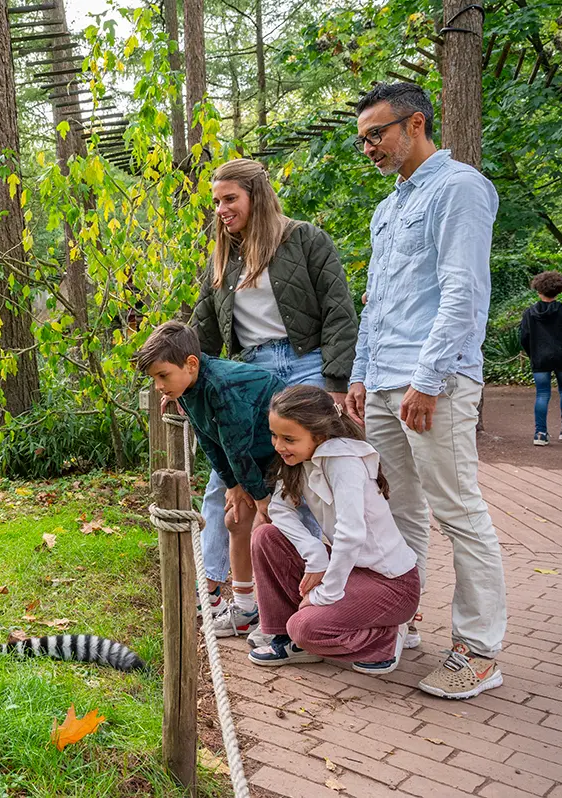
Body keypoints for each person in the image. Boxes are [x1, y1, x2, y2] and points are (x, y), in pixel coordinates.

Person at [345, 82, 506, 699]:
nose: (369, 147)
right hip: (386, 381)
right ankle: (401, 617)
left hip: (433, 382)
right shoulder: (387, 209)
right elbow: (377, 304)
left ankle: (479, 651)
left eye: (377, 134)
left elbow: (463, 293)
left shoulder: (460, 188)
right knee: (397, 510)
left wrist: (428, 379)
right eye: (362, 139)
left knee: (458, 510)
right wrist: (361, 374)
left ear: (415, 124)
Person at [190, 158, 359, 640]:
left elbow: (339, 310)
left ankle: (315, 589)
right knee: (227, 479)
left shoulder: (305, 239)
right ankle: (217, 589)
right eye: (216, 201)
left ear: (256, 196)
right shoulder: (223, 257)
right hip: (252, 372)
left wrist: (337, 381)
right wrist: (183, 378)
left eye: (230, 199)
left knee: (308, 476)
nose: (221, 209)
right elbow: (202, 326)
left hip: (307, 364)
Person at [248, 386, 420, 673]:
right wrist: (314, 553)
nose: (278, 446)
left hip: (391, 584)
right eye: (274, 435)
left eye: (288, 439)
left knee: (305, 628)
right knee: (266, 537)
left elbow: (351, 534)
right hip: (352, 571)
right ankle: (287, 640)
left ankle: (386, 637)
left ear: (319, 435)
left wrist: (324, 595)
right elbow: (278, 509)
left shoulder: (343, 462)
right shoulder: (300, 458)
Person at [136, 322, 284, 596]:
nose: (158, 386)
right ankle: (243, 605)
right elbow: (208, 440)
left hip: (281, 454)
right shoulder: (188, 388)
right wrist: (232, 483)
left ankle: (282, 605)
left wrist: (261, 497)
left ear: (191, 364)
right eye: (154, 378)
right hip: (252, 455)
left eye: (163, 376)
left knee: (269, 527)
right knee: (235, 520)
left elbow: (236, 447)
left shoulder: (220, 387)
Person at [519, 271, 562, 446]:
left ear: (538, 290)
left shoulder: (529, 313)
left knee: (542, 394)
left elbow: (524, 337)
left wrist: (533, 354)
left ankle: (540, 434)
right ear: (558, 290)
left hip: (540, 358)